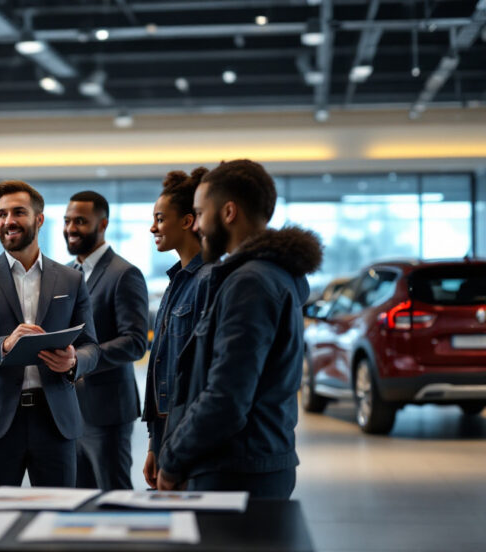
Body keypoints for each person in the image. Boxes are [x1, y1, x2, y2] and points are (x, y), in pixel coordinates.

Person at [156, 159, 322, 498]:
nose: (197, 226)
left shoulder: (250, 282)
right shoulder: (271, 275)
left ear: (228, 212)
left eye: (201, 214)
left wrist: (172, 460)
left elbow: (227, 397)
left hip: (235, 471)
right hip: (249, 464)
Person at [0, 180, 100, 489]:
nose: (8, 221)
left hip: (55, 420)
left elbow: (91, 346)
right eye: (1, 214)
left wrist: (74, 361)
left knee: (58, 517)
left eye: (18, 212)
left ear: (39, 219)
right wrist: (6, 344)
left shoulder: (71, 279)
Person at [62, 190, 148, 491]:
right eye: (68, 220)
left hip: (107, 411)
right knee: (77, 498)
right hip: (70, 410)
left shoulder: (124, 274)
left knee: (114, 496)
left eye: (81, 221)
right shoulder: (70, 273)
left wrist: (82, 359)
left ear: (103, 224)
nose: (71, 228)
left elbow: (136, 341)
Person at [141, 167, 209, 488]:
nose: (152, 227)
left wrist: (176, 452)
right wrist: (156, 443)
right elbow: (162, 368)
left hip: (190, 439)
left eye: (160, 218)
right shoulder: (175, 282)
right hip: (168, 435)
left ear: (187, 221)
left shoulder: (208, 281)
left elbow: (200, 380)